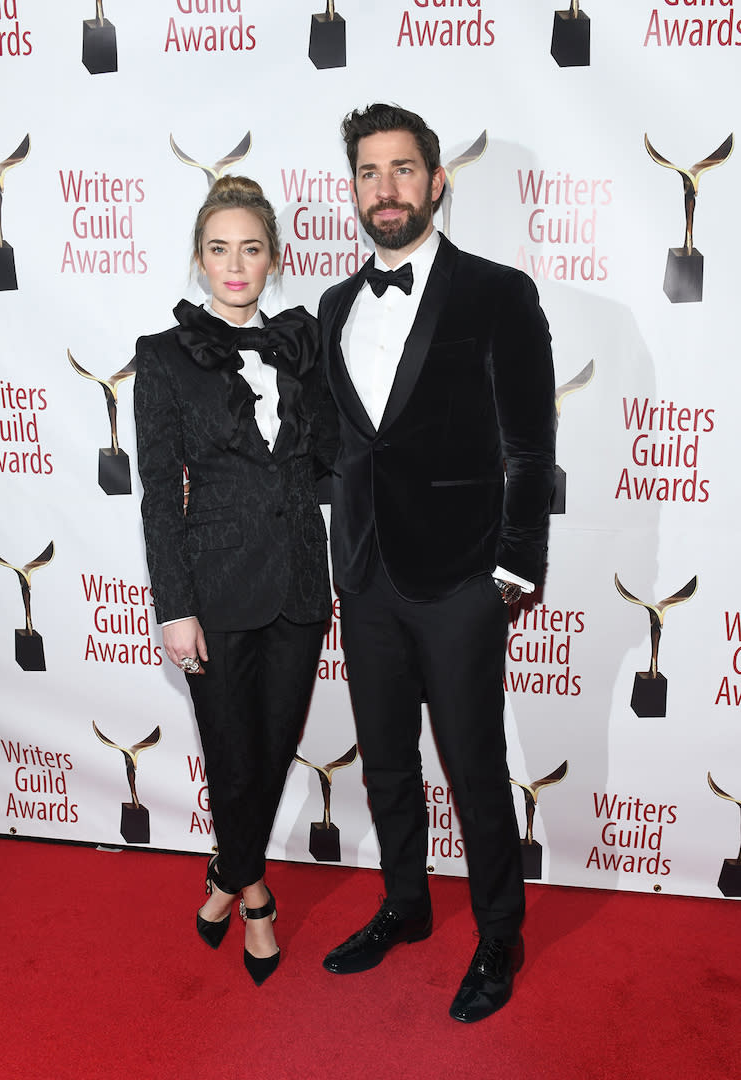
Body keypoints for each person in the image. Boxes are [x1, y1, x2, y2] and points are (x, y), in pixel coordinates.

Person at [318, 104, 555, 1022]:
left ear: (436, 181)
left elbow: (531, 447)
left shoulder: (498, 292)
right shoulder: (336, 305)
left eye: (404, 170)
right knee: (384, 765)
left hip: (461, 578)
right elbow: (346, 444)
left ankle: (500, 935)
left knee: (474, 765)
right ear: (355, 191)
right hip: (368, 577)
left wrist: (512, 570)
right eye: (370, 173)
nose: (387, 189)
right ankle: (406, 906)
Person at [134, 176, 335, 985]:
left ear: (274, 257)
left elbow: (329, 458)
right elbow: (157, 490)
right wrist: (174, 607)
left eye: (251, 248)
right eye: (219, 249)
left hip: (298, 584)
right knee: (230, 753)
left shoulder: (304, 344)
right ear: (198, 259)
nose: (236, 264)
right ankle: (257, 900)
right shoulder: (163, 358)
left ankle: (224, 872)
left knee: (276, 745)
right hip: (213, 591)